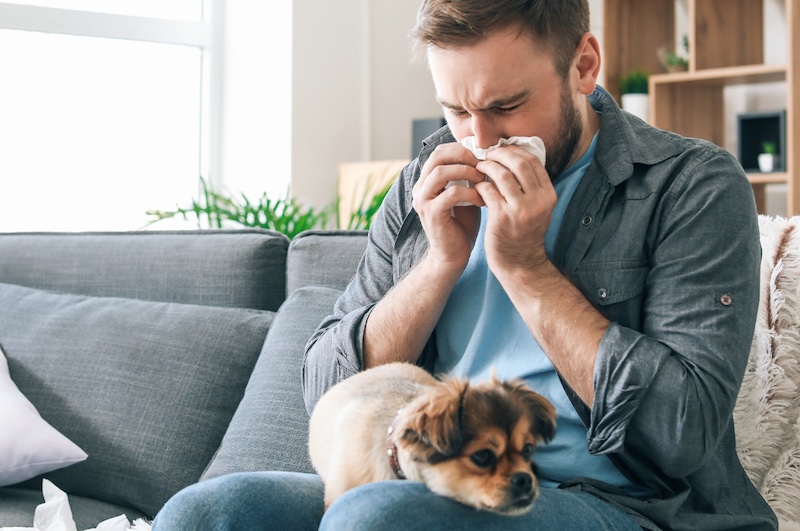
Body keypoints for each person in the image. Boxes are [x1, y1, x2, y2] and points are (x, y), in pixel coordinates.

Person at [153, 1, 778, 529]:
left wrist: (527, 269)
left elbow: (683, 431)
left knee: (376, 518)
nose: (478, 139)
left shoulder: (689, 186)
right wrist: (438, 264)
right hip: (427, 479)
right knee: (206, 512)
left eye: (506, 105)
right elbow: (327, 396)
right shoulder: (422, 182)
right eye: (455, 110)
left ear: (584, 65)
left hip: (623, 504)